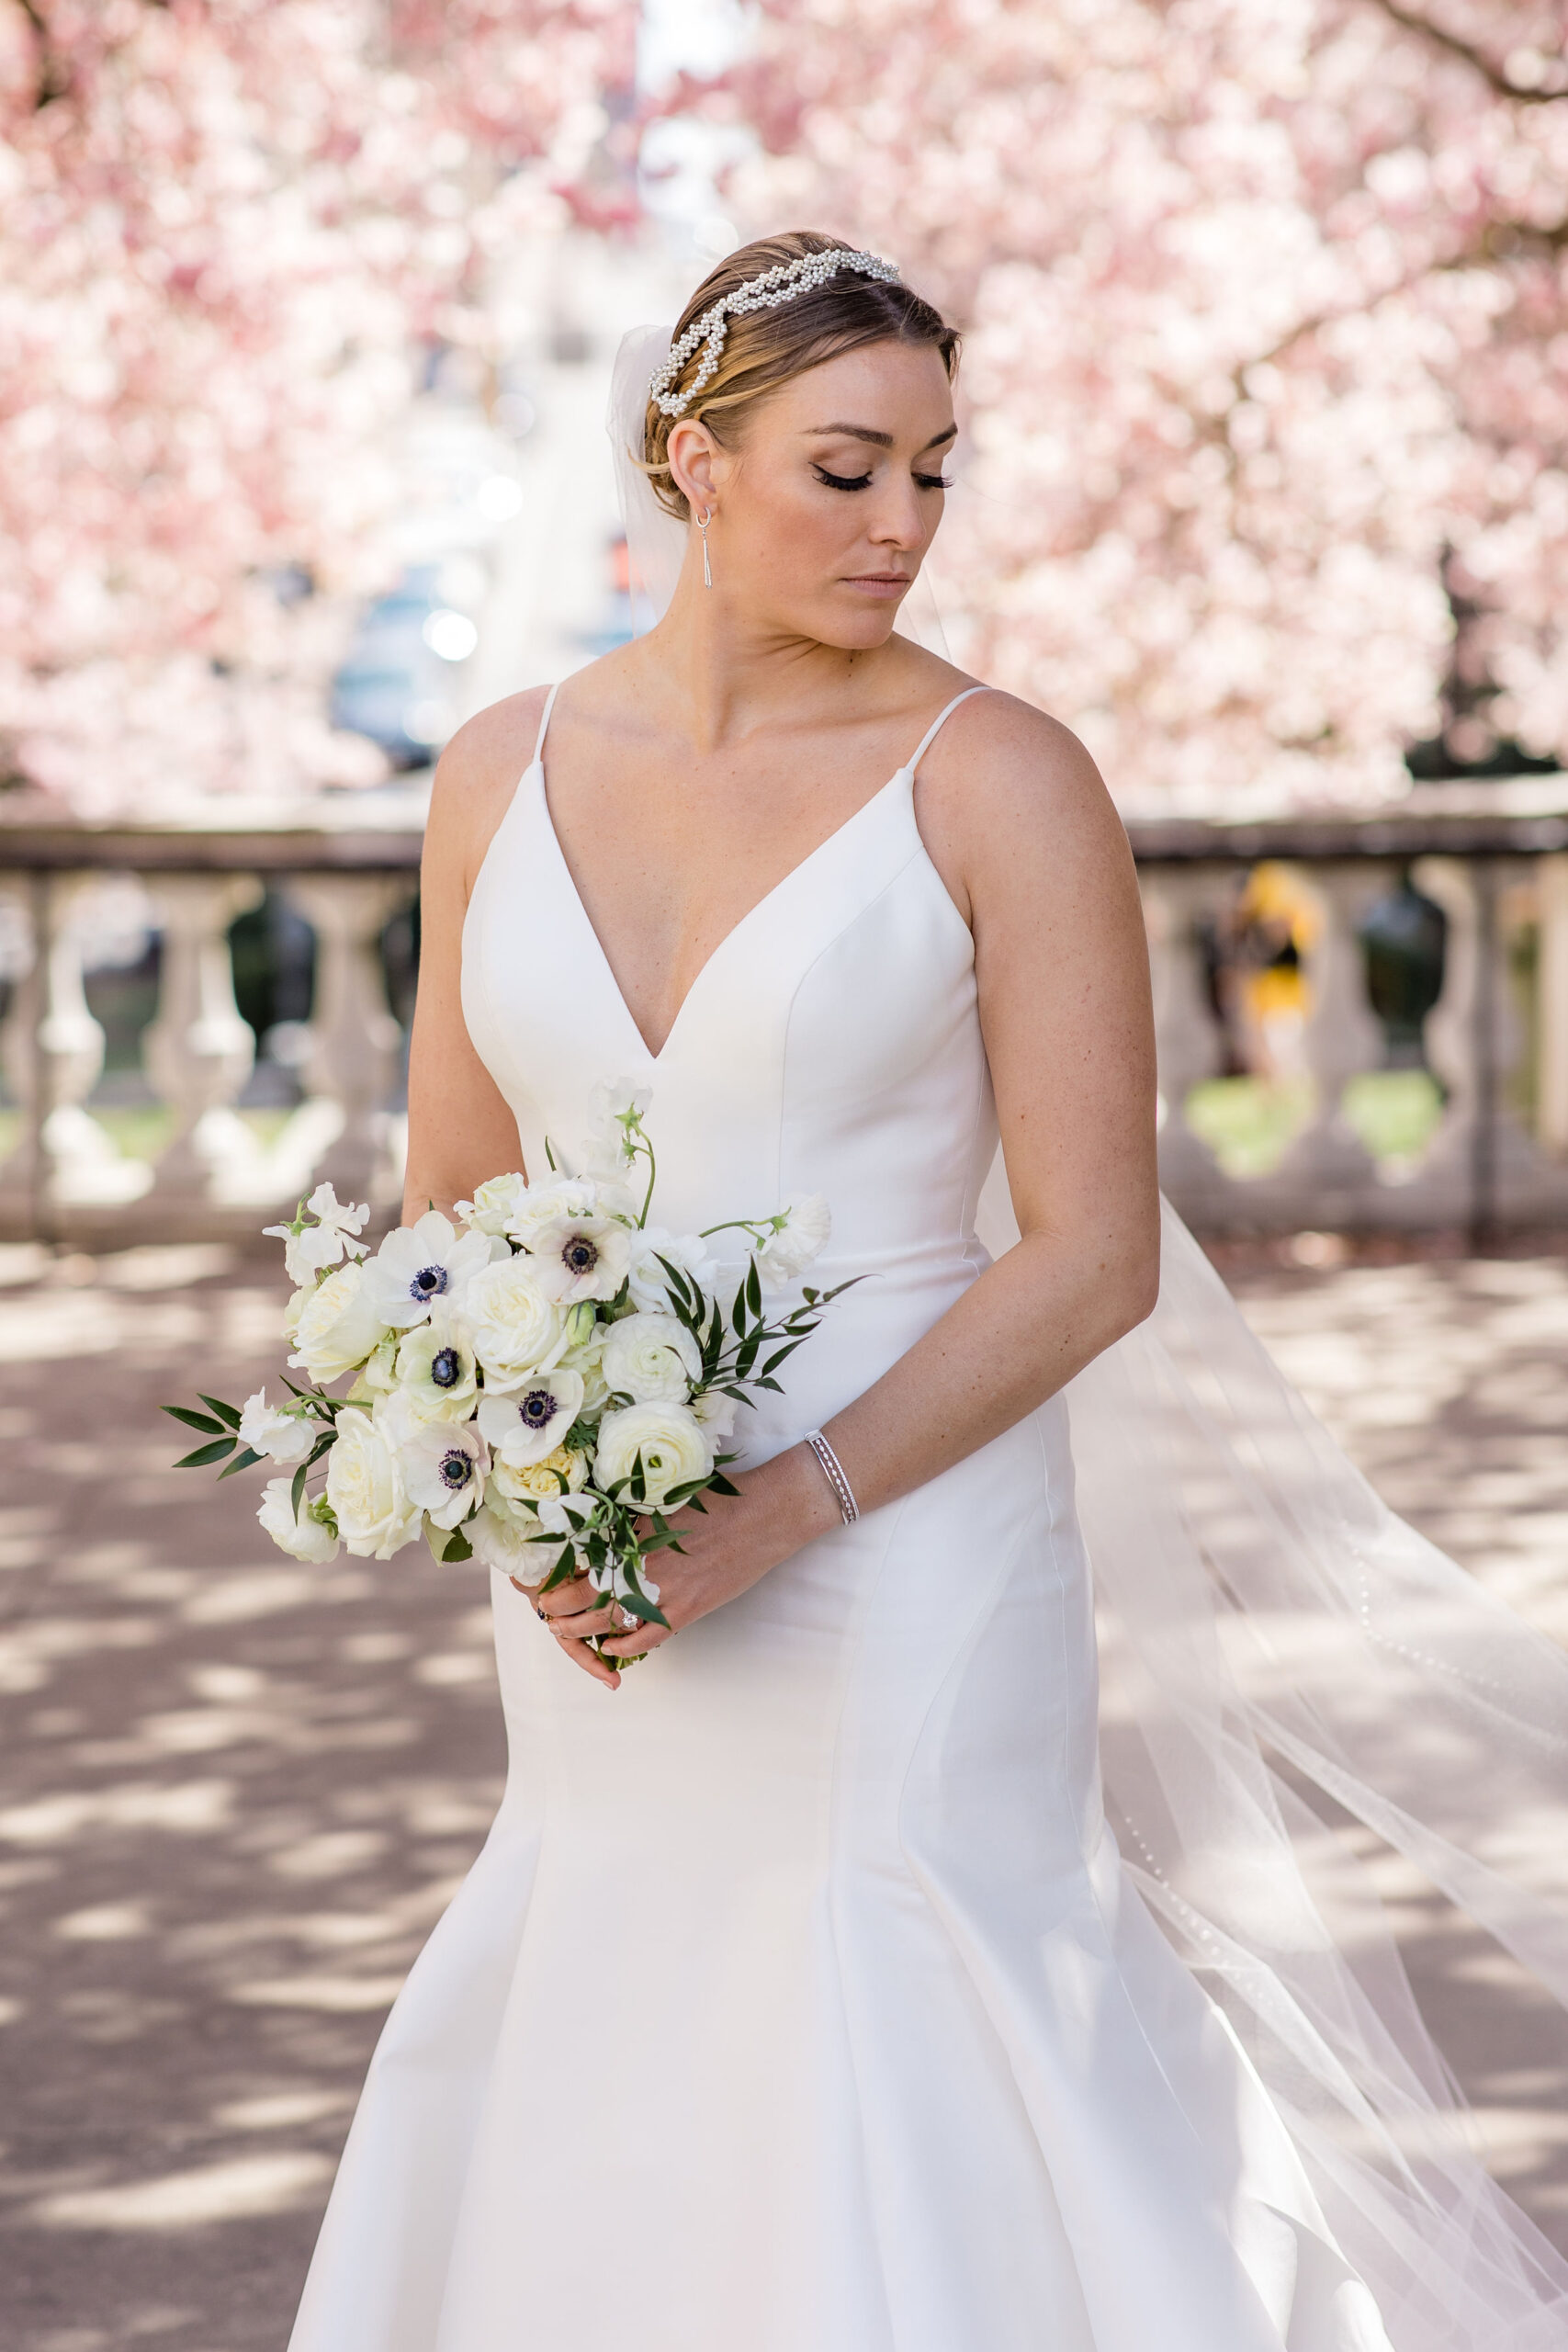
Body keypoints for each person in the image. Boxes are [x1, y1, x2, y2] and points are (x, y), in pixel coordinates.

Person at [287, 232, 1568, 2351]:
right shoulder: (491, 770)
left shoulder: (998, 775)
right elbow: (451, 1195)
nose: (902, 527)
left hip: (909, 1530)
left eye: (934, 475)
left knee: (909, 1979)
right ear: (687, 462)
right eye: (846, 469)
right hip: (603, 1567)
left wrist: (780, 1503)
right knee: (626, 1972)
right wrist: (531, 1499)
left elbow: (1092, 1248)